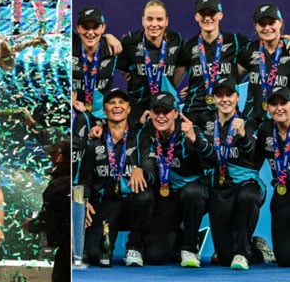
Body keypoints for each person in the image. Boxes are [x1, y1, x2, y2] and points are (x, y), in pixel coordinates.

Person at [79, 88, 154, 267]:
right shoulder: (95, 141)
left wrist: (141, 169)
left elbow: (151, 169)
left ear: (129, 109)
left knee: (145, 196)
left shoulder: (140, 136)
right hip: (105, 205)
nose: (117, 106)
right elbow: (85, 179)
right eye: (112, 103)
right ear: (104, 110)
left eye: (121, 102)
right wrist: (85, 200)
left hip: (132, 204)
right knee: (96, 256)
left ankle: (134, 247)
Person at [198, 77, 264, 270]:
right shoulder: (205, 121)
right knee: (226, 257)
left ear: (237, 97)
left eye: (229, 94)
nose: (225, 99)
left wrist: (243, 136)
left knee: (249, 195)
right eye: (220, 95)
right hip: (219, 188)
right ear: (214, 98)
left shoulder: (249, 123)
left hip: (243, 185)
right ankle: (256, 248)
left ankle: (244, 252)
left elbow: (251, 154)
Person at [138, 91, 210, 267]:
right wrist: (140, 170)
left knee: (192, 193)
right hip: (166, 197)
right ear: (150, 114)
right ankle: (178, 238)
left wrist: (195, 141)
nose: (161, 116)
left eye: (166, 112)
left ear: (176, 113)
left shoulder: (189, 130)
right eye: (157, 112)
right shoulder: (147, 132)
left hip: (193, 194)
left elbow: (213, 161)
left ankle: (190, 247)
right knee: (154, 256)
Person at [175, 0, 250, 127]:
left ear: (220, 15)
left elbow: (263, 52)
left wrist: (284, 42)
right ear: (196, 17)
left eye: (212, 13)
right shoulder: (188, 46)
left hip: (225, 111)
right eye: (203, 14)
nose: (208, 18)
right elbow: (171, 82)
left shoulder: (235, 41)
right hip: (195, 112)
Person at [118, 0, 184, 123]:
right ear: (143, 20)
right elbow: (118, 65)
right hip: (138, 107)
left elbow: (182, 64)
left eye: (159, 19)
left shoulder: (176, 40)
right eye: (149, 19)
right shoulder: (130, 41)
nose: (154, 24)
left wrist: (170, 83)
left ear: (166, 21)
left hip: (167, 108)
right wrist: (134, 77)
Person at [22, 138, 71, 282]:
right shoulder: (69, 180)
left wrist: (32, 225)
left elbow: (48, 217)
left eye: (53, 154)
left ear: (60, 157)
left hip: (64, 248)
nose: (50, 157)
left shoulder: (57, 186)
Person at [254, 86, 290, 268]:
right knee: (284, 260)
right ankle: (262, 248)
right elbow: (254, 161)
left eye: (283, 103)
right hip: (282, 191)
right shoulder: (265, 130)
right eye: (273, 104)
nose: (279, 108)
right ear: (267, 108)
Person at [240, 3, 290, 124]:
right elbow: (228, 76)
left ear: (281, 22)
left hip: (282, 123)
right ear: (255, 26)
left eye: (271, 22)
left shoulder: (288, 49)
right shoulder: (249, 50)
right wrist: (201, 83)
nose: (267, 28)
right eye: (262, 24)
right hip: (252, 122)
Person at [72, 7, 120, 114]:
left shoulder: (112, 49)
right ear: (78, 28)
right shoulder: (69, 45)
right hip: (76, 112)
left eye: (95, 27)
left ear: (103, 28)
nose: (90, 32)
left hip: (102, 115)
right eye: (85, 27)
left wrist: (109, 36)